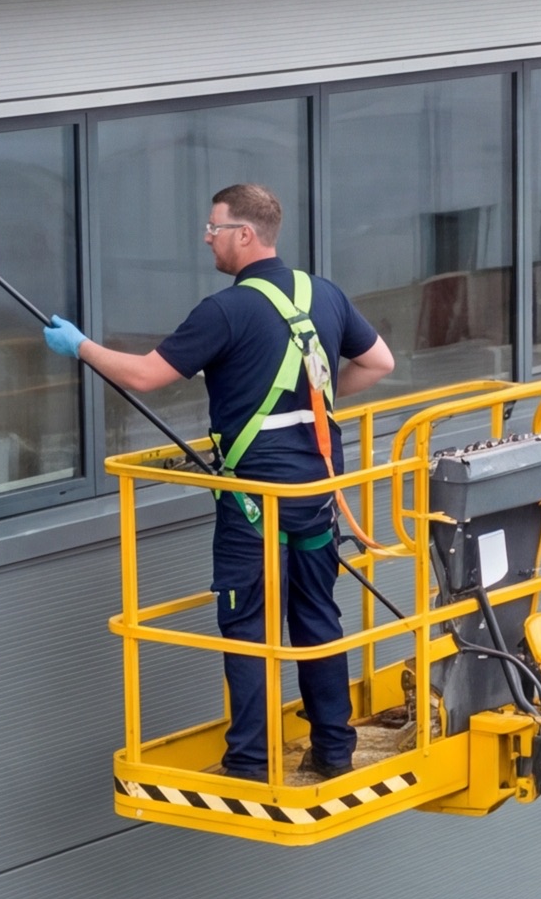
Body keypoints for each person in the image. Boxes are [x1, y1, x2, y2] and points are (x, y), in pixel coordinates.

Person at [55, 185, 392, 778]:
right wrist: (322, 404)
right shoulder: (324, 293)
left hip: (254, 503)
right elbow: (379, 363)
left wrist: (80, 346)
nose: (206, 239)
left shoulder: (226, 311)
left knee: (248, 628)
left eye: (213, 228)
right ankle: (334, 752)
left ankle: (251, 761)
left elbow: (145, 375)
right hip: (316, 496)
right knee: (317, 619)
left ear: (245, 234)